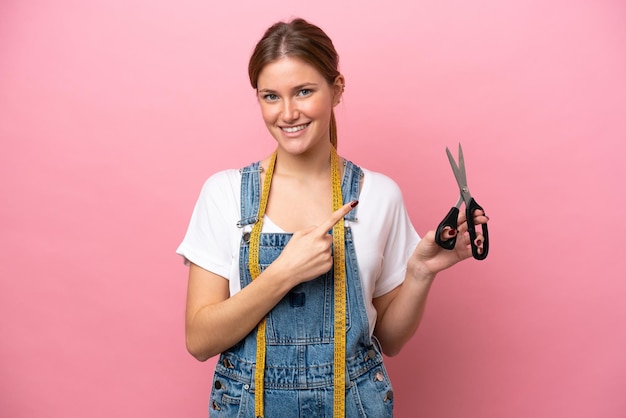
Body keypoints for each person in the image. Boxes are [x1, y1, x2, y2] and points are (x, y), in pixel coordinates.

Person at [176, 17, 488, 418]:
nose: (287, 113)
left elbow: (389, 340)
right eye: (270, 96)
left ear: (336, 89)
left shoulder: (379, 195)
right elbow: (199, 339)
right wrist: (283, 273)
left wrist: (421, 273)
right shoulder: (224, 195)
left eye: (304, 91)